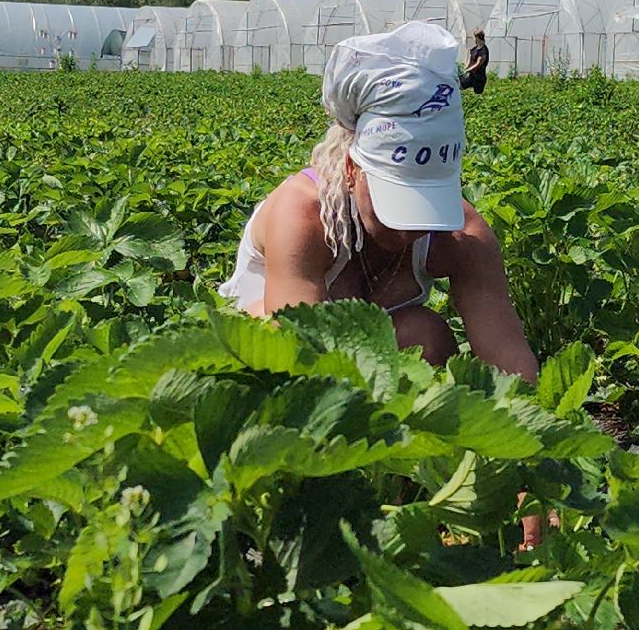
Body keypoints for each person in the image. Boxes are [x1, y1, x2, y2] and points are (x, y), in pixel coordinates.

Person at [220, 21, 538, 383]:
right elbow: (295, 353)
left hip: (378, 370)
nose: (407, 229)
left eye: (426, 205)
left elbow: (511, 362)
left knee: (425, 335)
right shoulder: (304, 214)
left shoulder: (463, 238)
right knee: (266, 327)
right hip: (271, 373)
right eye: (396, 201)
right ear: (353, 169)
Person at [461, 29, 490, 95]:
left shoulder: (483, 50)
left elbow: (478, 64)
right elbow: (470, 60)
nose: (473, 39)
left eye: (474, 38)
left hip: (479, 78)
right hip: (472, 76)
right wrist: (465, 68)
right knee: (460, 85)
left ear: (477, 38)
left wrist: (467, 70)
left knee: (478, 94)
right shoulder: (474, 49)